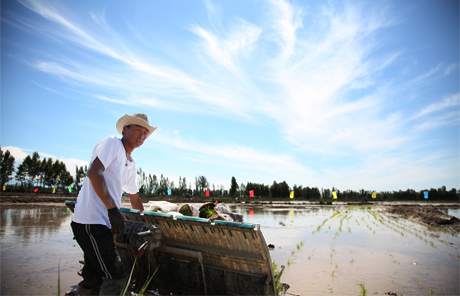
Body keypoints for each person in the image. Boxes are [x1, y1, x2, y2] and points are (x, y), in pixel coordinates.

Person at [69, 113, 156, 296]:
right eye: (137, 130)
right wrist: (112, 209)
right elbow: (94, 173)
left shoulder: (131, 164)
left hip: (104, 223)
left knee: (93, 274)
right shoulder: (112, 144)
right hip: (91, 222)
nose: (141, 136)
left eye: (145, 133)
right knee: (116, 274)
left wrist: (144, 219)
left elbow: (134, 198)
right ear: (125, 130)